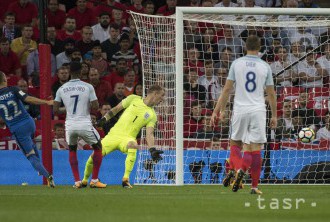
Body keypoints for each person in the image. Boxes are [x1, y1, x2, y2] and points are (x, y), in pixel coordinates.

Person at [211, 35, 277, 194]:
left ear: (245, 47)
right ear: (260, 47)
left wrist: (217, 111)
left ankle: (235, 170)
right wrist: (274, 115)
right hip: (258, 110)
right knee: (254, 149)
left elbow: (226, 90)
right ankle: (253, 186)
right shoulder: (265, 66)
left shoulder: (236, 63)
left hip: (240, 109)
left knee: (235, 145)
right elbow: (271, 93)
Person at [82, 85, 165, 188]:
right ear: (155, 94)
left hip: (128, 138)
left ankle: (125, 179)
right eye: (162, 95)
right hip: (113, 135)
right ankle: (85, 181)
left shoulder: (152, 115)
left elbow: (150, 133)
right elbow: (116, 109)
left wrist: (152, 149)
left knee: (133, 145)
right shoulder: (133, 98)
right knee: (94, 157)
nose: (163, 99)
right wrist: (104, 119)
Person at [53, 62, 106, 188]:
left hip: (70, 125)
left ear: (70, 72)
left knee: (72, 149)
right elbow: (95, 106)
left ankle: (77, 181)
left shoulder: (61, 88)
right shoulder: (88, 87)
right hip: (84, 124)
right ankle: (94, 180)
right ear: (82, 72)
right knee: (98, 147)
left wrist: (69, 108)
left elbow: (55, 110)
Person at [0, 71, 55, 187]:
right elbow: (28, 98)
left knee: (30, 155)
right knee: (32, 145)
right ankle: (40, 169)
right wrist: (46, 102)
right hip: (29, 123)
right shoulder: (13, 89)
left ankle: (47, 176)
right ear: (5, 79)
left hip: (17, 128)